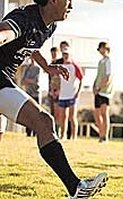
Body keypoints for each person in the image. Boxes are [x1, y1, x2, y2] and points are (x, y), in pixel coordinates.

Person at [0, 1, 108, 198]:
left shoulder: (49, 26)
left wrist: (47, 67)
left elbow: (31, 45)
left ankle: (75, 187)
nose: (72, 6)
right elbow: (6, 32)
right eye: (69, 1)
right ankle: (76, 187)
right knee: (43, 121)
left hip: (4, 79)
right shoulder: (23, 17)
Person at [58, 46, 83, 140]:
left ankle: (74, 136)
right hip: (62, 95)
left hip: (72, 94)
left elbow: (81, 79)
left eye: (67, 54)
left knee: (72, 117)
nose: (65, 56)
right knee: (62, 117)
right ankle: (62, 135)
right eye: (64, 54)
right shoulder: (61, 66)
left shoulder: (74, 66)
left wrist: (78, 92)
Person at [93, 41, 113, 143]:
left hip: (105, 92)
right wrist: (94, 86)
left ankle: (105, 136)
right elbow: (99, 76)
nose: (101, 50)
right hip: (97, 91)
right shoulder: (100, 62)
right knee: (97, 114)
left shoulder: (109, 61)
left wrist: (99, 87)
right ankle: (101, 135)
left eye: (103, 48)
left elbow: (107, 77)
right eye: (100, 48)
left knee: (104, 114)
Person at [21, 56, 41, 137]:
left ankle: (35, 132)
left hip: (35, 94)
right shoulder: (27, 69)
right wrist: (29, 81)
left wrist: (28, 80)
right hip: (27, 94)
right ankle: (28, 133)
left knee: (36, 114)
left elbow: (35, 81)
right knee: (28, 114)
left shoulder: (37, 69)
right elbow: (22, 81)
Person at [48, 46, 60, 131]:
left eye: (55, 53)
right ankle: (54, 130)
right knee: (52, 112)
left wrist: (58, 90)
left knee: (58, 113)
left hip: (59, 91)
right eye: (52, 53)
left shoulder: (60, 64)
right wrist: (50, 90)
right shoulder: (50, 64)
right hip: (52, 90)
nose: (53, 55)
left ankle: (59, 130)